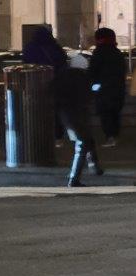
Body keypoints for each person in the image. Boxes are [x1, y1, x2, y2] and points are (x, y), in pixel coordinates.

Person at [55, 54, 103, 187]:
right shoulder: (82, 78)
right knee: (83, 143)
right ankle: (74, 178)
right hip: (78, 115)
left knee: (86, 140)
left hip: (66, 114)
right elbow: (87, 96)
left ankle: (94, 166)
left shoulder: (62, 76)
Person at [23, 25, 68, 145]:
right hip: (55, 83)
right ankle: (58, 137)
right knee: (55, 112)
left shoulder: (31, 48)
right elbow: (63, 63)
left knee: (37, 111)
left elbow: (26, 63)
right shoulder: (55, 47)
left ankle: (40, 137)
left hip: (36, 84)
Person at [89, 27, 127, 148]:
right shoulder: (117, 53)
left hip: (103, 88)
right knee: (115, 113)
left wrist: (92, 84)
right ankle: (114, 136)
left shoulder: (99, 53)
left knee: (106, 114)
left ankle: (110, 137)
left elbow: (93, 71)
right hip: (118, 88)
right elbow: (123, 70)